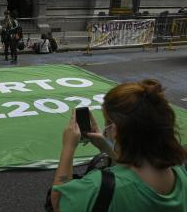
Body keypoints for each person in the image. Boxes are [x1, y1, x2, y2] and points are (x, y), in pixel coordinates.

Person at [50, 79, 187, 212]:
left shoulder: (99, 186)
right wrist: (107, 148)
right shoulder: (179, 173)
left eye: (106, 123)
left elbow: (58, 203)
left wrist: (68, 147)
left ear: (114, 130)